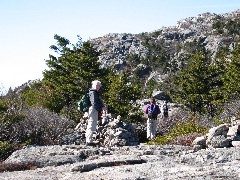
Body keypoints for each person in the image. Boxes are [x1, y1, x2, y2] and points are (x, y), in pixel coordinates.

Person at [86, 80, 106, 146]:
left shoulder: (94, 92)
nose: (98, 87)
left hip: (94, 109)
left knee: (92, 124)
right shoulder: (93, 92)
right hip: (93, 109)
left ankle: (89, 140)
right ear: (93, 85)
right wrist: (101, 108)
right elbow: (94, 103)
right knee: (91, 124)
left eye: (99, 85)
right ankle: (89, 141)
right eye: (97, 85)